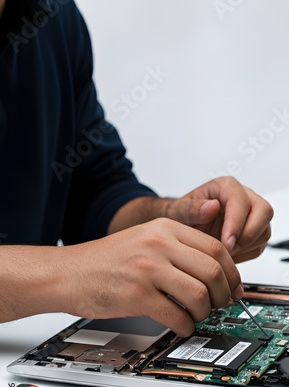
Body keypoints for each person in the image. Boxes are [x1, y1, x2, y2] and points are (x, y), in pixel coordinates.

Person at [0, 0, 273, 337]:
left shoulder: (53, 15)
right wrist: (71, 272)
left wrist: (175, 223)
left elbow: (93, 191)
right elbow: (83, 266)